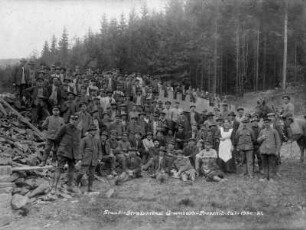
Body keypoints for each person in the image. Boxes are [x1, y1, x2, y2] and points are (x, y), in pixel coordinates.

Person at [51, 114, 82, 194]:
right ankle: (54, 187)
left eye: (76, 120)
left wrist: (78, 156)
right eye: (72, 119)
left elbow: (78, 143)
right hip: (63, 152)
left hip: (73, 154)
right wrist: (60, 148)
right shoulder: (65, 127)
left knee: (71, 170)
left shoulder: (78, 131)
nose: (74, 121)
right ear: (70, 120)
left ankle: (69, 186)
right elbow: (56, 138)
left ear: (77, 121)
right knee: (59, 168)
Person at [76, 125, 102, 192]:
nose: (94, 132)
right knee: (81, 173)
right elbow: (80, 150)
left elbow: (100, 150)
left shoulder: (97, 140)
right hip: (86, 158)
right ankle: (76, 185)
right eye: (92, 130)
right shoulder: (84, 139)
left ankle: (90, 187)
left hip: (94, 159)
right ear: (89, 131)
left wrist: (99, 158)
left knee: (92, 174)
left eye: (95, 130)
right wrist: (79, 159)